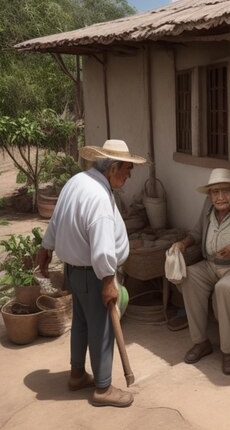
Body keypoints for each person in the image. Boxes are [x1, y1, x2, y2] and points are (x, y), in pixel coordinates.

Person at [36, 139, 146, 408]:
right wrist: (108, 280)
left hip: (75, 271)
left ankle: (76, 375)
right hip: (94, 274)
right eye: (127, 170)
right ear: (113, 168)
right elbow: (101, 247)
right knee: (102, 328)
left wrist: (46, 246)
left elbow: (57, 217)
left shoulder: (78, 181)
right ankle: (103, 387)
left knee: (82, 325)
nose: (128, 176)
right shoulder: (98, 197)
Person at [172, 168, 230, 375]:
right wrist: (183, 243)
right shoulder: (208, 207)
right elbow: (197, 232)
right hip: (210, 264)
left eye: (225, 191)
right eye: (215, 192)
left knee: (224, 288)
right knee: (189, 277)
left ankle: (229, 352)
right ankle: (201, 342)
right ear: (210, 195)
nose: (220, 197)